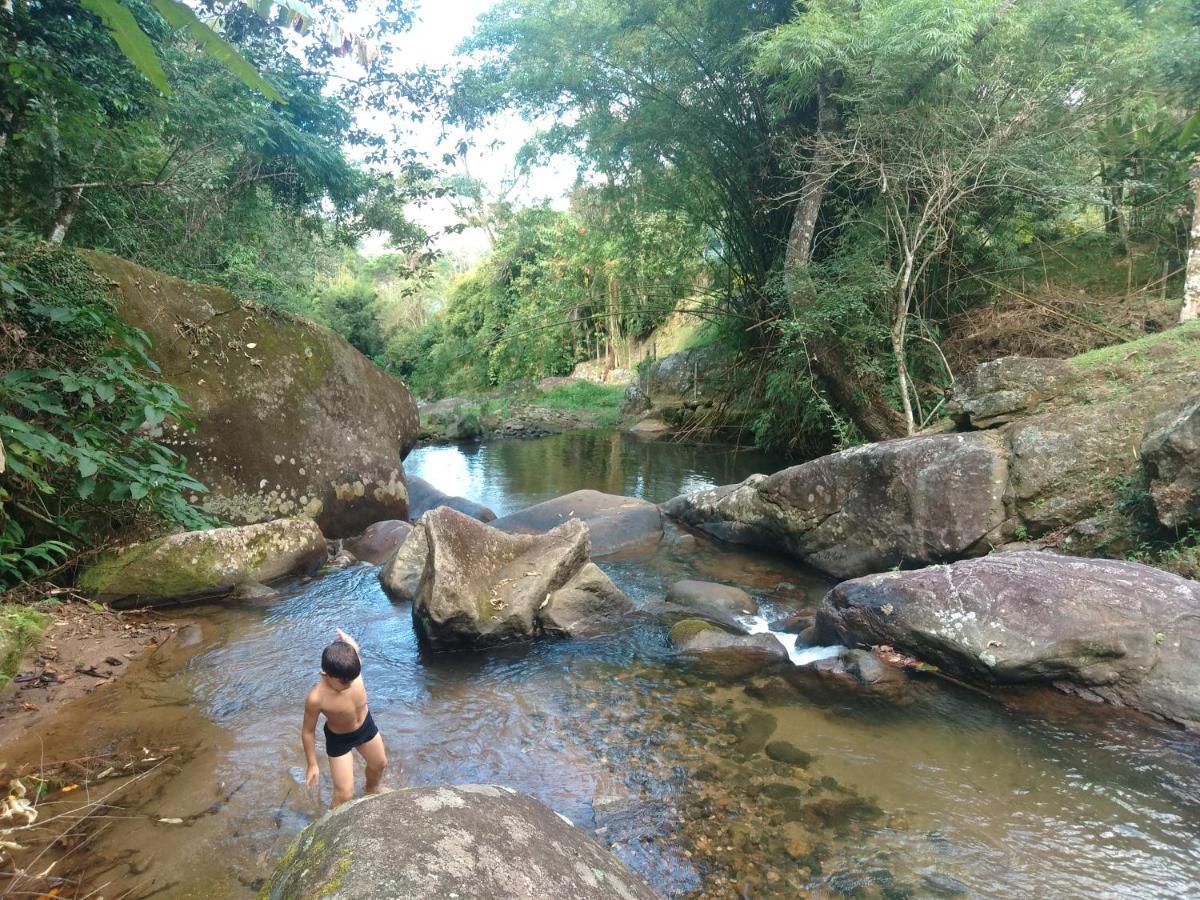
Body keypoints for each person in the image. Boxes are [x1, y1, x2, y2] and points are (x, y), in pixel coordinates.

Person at [301, 628, 388, 806]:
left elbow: (355, 649)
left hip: (365, 726)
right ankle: (331, 822)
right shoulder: (316, 698)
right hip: (339, 739)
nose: (349, 685)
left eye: (352, 679)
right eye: (343, 682)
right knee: (345, 794)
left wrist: (350, 643)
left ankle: (371, 790)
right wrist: (312, 764)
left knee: (379, 764)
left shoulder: (350, 670)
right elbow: (308, 732)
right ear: (325, 675)